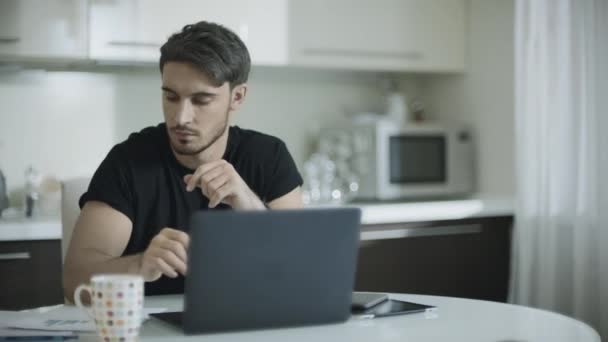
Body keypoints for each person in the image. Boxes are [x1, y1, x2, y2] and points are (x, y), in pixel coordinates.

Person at [63, 21, 304, 300]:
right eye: (171, 97)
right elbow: (74, 280)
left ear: (237, 97)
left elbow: (301, 273)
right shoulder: (128, 161)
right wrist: (139, 266)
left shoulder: (268, 157)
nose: (180, 118)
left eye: (201, 100)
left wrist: (250, 205)